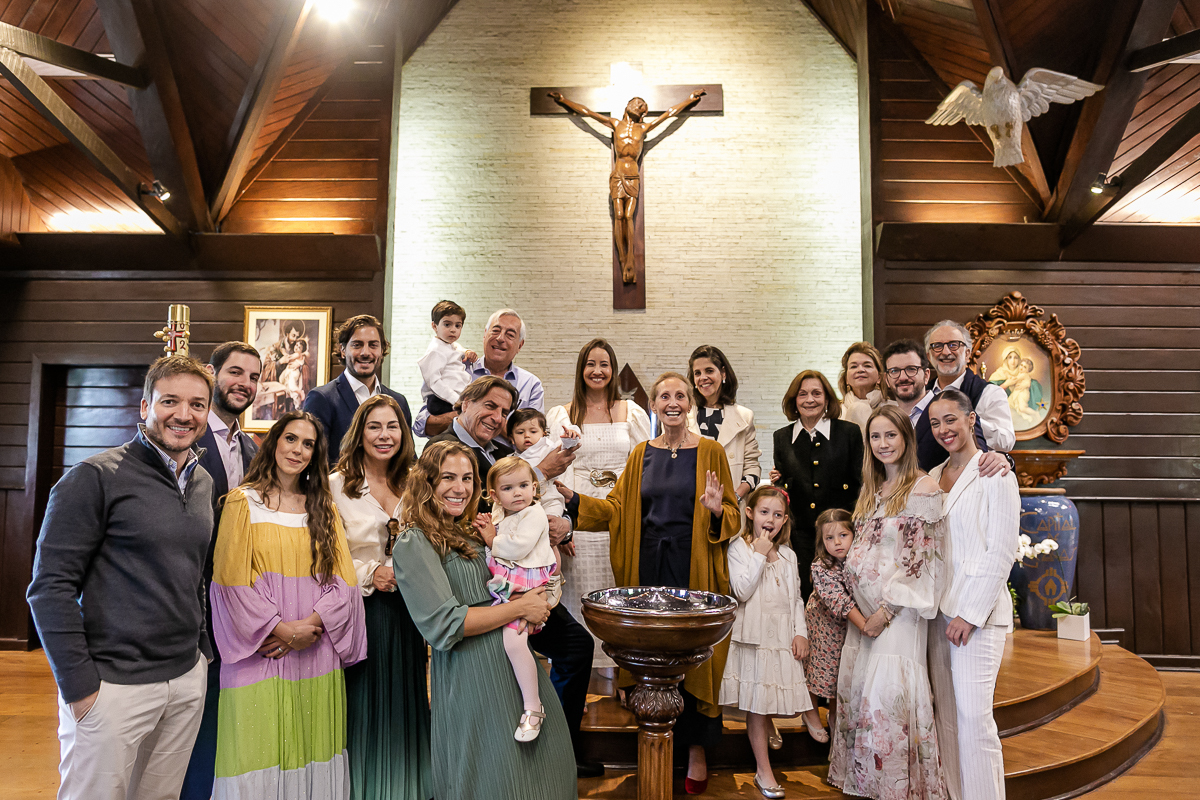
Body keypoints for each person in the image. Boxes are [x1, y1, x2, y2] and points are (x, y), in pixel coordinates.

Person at [27, 355, 215, 800]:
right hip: (111, 686)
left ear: (208, 412)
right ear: (145, 406)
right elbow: (49, 588)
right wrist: (79, 688)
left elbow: (196, 575)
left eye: (197, 404)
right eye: (170, 401)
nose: (183, 415)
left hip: (185, 678)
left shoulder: (203, 482)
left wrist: (201, 653)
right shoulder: (93, 478)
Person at [559, 371, 740, 794]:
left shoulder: (711, 451)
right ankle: (657, 747)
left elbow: (733, 515)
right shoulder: (642, 452)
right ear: (654, 406)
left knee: (696, 657)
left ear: (690, 404)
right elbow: (618, 508)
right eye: (664, 396)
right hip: (649, 566)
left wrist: (716, 510)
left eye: (680, 395)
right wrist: (573, 502)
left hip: (693, 565)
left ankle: (695, 749)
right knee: (655, 660)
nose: (672, 402)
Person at [428, 375, 598, 777]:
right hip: (484, 582)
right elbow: (463, 510)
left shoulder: (499, 448)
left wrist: (561, 527)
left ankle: (555, 744)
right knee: (568, 646)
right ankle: (548, 741)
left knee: (576, 646)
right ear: (464, 402)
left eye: (504, 411)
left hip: (517, 572)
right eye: (490, 406)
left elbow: (526, 500)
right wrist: (539, 473)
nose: (498, 417)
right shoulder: (443, 451)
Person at [390, 441, 577, 800]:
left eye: (467, 478)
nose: (459, 488)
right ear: (427, 482)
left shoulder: (474, 531)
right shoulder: (415, 542)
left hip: (516, 667)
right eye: (447, 478)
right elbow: (445, 624)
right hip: (472, 674)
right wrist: (519, 609)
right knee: (497, 780)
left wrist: (535, 597)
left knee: (547, 773)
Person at [210, 411, 367, 798]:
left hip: (317, 648)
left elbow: (344, 582)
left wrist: (309, 626)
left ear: (316, 455)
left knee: (314, 746)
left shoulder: (324, 508)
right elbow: (230, 582)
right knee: (252, 749)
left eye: (309, 444)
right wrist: (282, 630)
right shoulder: (241, 503)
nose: (298, 450)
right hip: (262, 650)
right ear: (273, 442)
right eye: (291, 439)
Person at [828, 405, 948, 800]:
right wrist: (863, 613)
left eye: (890, 435)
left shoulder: (922, 488)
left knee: (888, 703)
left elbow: (922, 560)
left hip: (897, 616)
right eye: (875, 437)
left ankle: (900, 790)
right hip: (866, 620)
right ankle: (873, 788)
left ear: (907, 439)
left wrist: (885, 612)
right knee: (865, 703)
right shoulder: (872, 491)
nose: (883, 444)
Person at [329, 395, 432, 800]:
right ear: (359, 433)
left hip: (409, 613)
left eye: (392, 426)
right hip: (361, 610)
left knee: (404, 702)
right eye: (374, 426)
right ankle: (364, 787)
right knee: (365, 704)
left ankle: (406, 787)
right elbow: (324, 559)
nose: (384, 435)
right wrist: (372, 574)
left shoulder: (415, 482)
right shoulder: (337, 485)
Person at [927, 389, 1020, 800]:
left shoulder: (994, 472)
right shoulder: (930, 477)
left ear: (970, 420)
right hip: (936, 613)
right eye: (935, 423)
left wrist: (969, 613)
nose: (944, 429)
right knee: (946, 716)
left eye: (951, 419)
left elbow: (1000, 550)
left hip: (974, 617)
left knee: (974, 717)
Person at [182, 342, 262, 800]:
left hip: (233, 599)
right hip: (189, 597)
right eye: (235, 373)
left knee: (221, 711)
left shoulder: (250, 447)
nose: (244, 384)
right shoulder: (187, 436)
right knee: (192, 716)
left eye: (253, 377)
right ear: (213, 374)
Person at [545, 338, 651, 672]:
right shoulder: (563, 414)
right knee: (579, 597)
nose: (597, 370)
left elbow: (643, 468)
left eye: (604, 364)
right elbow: (553, 471)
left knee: (619, 597)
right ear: (581, 369)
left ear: (613, 370)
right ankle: (580, 675)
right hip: (577, 521)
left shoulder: (631, 412)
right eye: (591, 364)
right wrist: (562, 524)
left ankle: (622, 673)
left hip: (617, 516)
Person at [720, 485, 825, 800]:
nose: (771, 519)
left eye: (778, 515)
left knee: (774, 700)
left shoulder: (791, 555)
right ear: (750, 514)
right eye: (764, 512)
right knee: (757, 704)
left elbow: (796, 598)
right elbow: (742, 591)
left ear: (784, 520)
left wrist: (800, 631)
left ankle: (773, 729)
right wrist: (758, 553)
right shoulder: (739, 548)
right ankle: (763, 770)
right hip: (754, 637)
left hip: (782, 637)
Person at [548, 89, 706, 282]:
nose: (639, 106)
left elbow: (669, 114)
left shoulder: (644, 128)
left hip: (633, 175)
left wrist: (689, 100)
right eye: (636, 103)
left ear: (643, 113)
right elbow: (587, 113)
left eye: (642, 106)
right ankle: (623, 259)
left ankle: (630, 257)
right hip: (618, 174)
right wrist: (563, 100)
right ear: (628, 106)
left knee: (629, 216)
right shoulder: (615, 124)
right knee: (619, 215)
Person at [473, 456, 560, 742]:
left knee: (514, 641)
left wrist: (491, 539)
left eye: (524, 485)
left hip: (527, 582)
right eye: (509, 488)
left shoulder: (534, 513)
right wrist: (489, 527)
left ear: (535, 488)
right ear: (495, 496)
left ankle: (533, 707)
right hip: (511, 582)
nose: (518, 492)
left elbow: (518, 546)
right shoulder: (504, 514)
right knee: (503, 639)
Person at [770, 369, 864, 598]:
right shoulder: (782, 437)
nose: (809, 399)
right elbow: (784, 486)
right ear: (794, 400)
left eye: (816, 393)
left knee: (844, 595)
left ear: (827, 399)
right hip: (799, 536)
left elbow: (861, 482)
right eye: (802, 394)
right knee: (804, 594)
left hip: (842, 534)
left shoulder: (849, 433)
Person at [882, 339, 1011, 476]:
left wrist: (1004, 459)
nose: (903, 377)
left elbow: (985, 460)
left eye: (911, 369)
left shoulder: (954, 410)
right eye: (894, 371)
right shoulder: (885, 419)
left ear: (926, 375)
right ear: (886, 379)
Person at [415, 309, 545, 442]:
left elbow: (534, 439)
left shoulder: (531, 385)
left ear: (520, 345)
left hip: (508, 461)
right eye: (495, 330)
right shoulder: (456, 368)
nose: (500, 338)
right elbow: (422, 425)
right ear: (485, 334)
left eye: (510, 335)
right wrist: (470, 415)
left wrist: (483, 417)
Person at [304, 314, 412, 462]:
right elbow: (314, 461)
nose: (365, 353)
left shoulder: (399, 401)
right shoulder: (322, 399)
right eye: (357, 345)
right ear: (342, 350)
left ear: (382, 350)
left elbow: (408, 457)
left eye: (373, 345)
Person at [802, 508, 870, 742]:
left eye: (843, 535)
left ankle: (835, 714)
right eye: (829, 538)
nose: (837, 543)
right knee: (820, 670)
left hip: (846, 628)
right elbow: (838, 600)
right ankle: (809, 710)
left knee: (841, 673)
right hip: (824, 625)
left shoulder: (857, 561)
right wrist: (864, 624)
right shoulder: (821, 566)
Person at [686, 344, 762, 502]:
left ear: (723, 373)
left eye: (709, 371)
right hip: (688, 508)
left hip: (729, 508)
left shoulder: (744, 417)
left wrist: (735, 497)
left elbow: (752, 467)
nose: (703, 378)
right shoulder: (683, 416)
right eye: (697, 373)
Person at [925, 321, 1015, 452]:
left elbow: (1006, 442)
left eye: (953, 345)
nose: (945, 352)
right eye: (937, 346)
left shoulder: (990, 393)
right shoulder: (924, 393)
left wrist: (969, 420)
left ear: (967, 354)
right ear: (929, 356)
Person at [508, 408, 579, 518]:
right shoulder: (510, 460)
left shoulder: (547, 448)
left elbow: (564, 448)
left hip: (550, 498)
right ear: (511, 438)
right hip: (524, 504)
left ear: (544, 434)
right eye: (520, 432)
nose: (527, 435)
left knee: (552, 517)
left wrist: (570, 437)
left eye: (533, 431)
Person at [417, 299, 478, 416]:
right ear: (434, 326)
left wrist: (467, 352)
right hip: (442, 400)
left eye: (458, 326)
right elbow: (434, 382)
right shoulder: (435, 351)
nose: (453, 329)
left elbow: (456, 348)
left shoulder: (448, 345)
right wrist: (456, 400)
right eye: (447, 324)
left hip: (455, 398)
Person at [837, 341, 887, 431]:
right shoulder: (835, 413)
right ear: (846, 379)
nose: (860, 370)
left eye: (867, 365)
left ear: (879, 377)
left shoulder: (893, 409)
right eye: (854, 366)